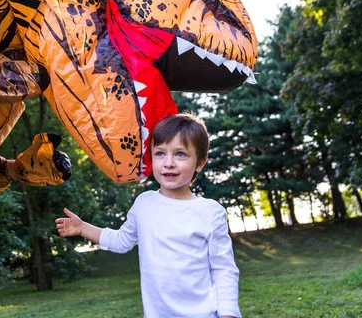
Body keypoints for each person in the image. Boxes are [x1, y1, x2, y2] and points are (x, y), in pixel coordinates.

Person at [55, 113, 241, 318]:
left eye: (180, 154)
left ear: (200, 162)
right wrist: (83, 228)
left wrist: (228, 314)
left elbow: (224, 270)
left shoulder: (210, 212)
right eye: (160, 153)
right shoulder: (144, 204)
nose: (169, 163)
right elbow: (120, 241)